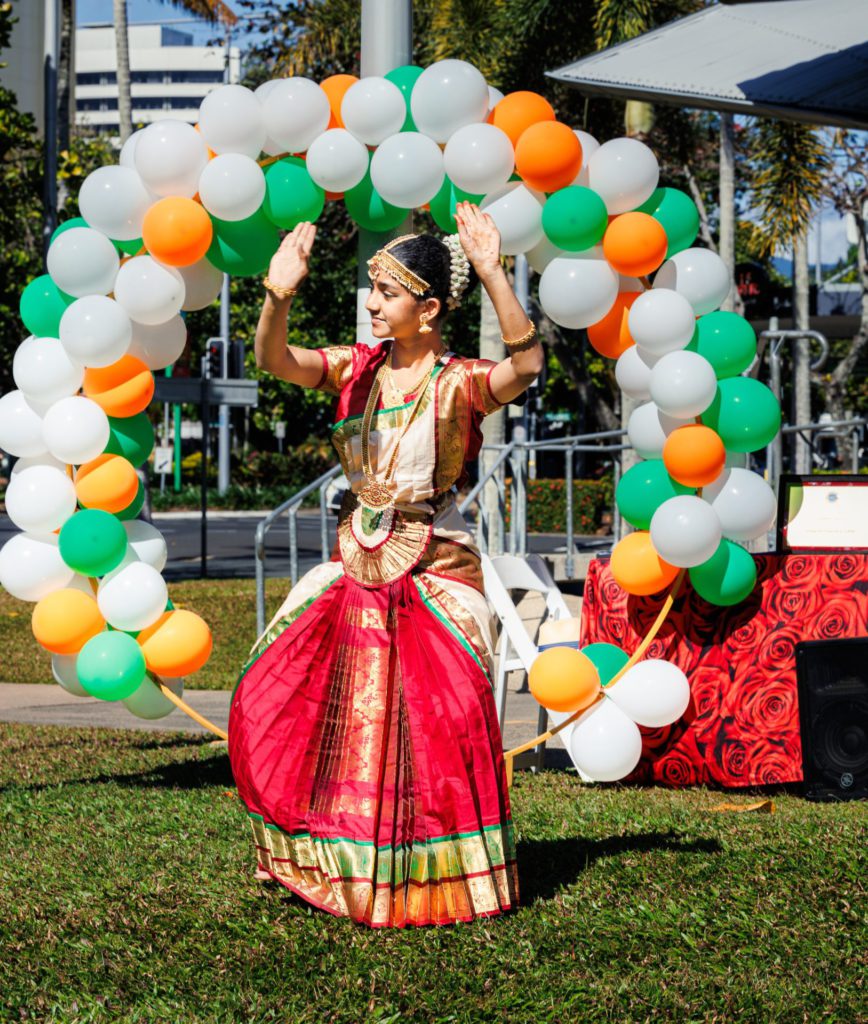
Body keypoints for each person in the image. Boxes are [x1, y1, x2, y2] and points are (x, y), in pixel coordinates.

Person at [228, 202, 543, 928]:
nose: (372, 304)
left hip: (436, 564)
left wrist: (494, 271)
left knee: (440, 720)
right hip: (357, 561)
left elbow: (526, 364)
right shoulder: (355, 369)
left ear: (428, 309)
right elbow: (276, 361)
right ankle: (334, 860)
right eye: (371, 289)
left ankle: (435, 875)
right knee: (293, 697)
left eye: (388, 292)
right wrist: (277, 296)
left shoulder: (461, 381)